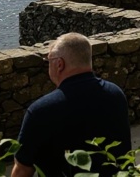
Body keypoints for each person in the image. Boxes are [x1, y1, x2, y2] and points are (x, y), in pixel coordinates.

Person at [12, 33, 131, 177]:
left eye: (48, 61)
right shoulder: (116, 94)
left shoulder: (41, 111)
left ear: (59, 64)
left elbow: (22, 170)